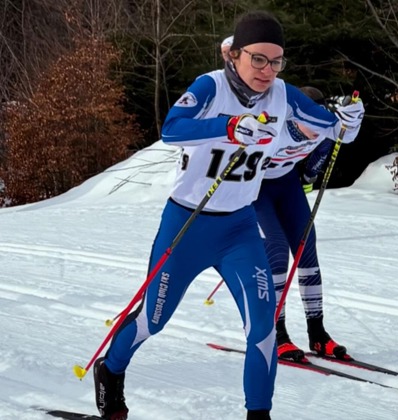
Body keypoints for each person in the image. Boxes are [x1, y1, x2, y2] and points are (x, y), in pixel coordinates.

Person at [93, 10, 364, 420]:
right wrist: (231, 127)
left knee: (263, 329)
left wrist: (349, 122)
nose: (267, 70)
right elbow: (172, 128)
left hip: (238, 229)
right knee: (153, 320)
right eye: (257, 58)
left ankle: (259, 414)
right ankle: (110, 371)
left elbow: (330, 127)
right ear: (235, 55)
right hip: (187, 225)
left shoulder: (284, 95)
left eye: (276, 61)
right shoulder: (210, 86)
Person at [254, 87, 364, 363]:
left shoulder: (325, 130)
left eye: (321, 116)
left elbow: (322, 154)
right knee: (277, 250)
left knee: (307, 249)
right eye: (310, 118)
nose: (317, 125)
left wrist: (310, 175)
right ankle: (276, 334)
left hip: (287, 185)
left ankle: (317, 333)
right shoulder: (277, 129)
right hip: (257, 190)